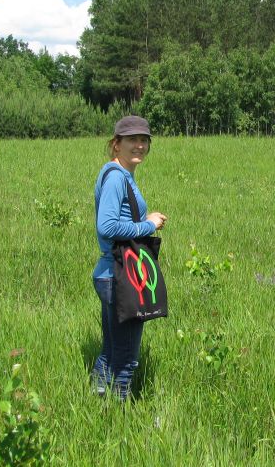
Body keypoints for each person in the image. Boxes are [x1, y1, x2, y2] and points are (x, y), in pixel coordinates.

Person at [91, 115, 167, 400]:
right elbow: (107, 226)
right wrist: (148, 225)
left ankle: (99, 396)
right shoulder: (115, 178)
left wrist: (141, 218)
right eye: (132, 140)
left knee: (111, 349)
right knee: (126, 357)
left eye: (144, 140)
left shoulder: (120, 174)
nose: (139, 145)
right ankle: (119, 414)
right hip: (119, 276)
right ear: (116, 144)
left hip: (111, 273)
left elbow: (119, 218)